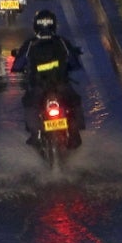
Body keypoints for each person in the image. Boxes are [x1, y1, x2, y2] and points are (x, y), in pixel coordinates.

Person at [10, 9, 84, 144]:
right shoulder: (62, 42)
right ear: (54, 24)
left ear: (36, 25)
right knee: (74, 101)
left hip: (38, 87)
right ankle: (75, 132)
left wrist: (19, 68)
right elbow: (74, 63)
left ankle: (36, 134)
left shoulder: (30, 44)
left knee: (29, 104)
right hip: (61, 84)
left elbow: (18, 65)